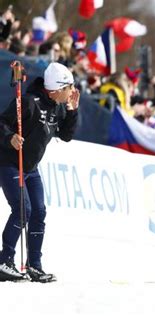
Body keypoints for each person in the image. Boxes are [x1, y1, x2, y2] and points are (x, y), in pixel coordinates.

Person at [0, 62, 80, 282]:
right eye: (69, 87)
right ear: (56, 90)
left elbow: (65, 135)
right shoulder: (27, 102)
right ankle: (4, 260)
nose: (72, 91)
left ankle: (34, 265)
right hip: (10, 162)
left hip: (31, 167)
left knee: (39, 212)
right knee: (22, 209)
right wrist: (10, 138)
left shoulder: (58, 106)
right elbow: (2, 123)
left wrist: (72, 111)